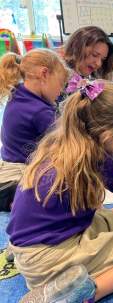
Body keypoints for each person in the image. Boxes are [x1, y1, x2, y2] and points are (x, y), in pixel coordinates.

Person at [7, 81, 113, 302]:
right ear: (107, 135)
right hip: (47, 259)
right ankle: (83, 292)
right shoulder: (99, 157)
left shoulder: (60, 141)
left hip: (29, 245)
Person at [0, 49, 69, 211]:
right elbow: (69, 142)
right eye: (60, 84)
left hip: (6, 171)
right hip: (16, 180)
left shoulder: (19, 92)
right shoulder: (39, 111)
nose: (61, 91)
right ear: (44, 74)